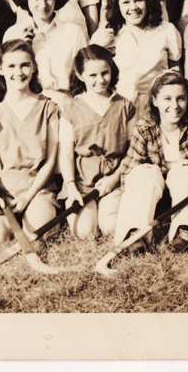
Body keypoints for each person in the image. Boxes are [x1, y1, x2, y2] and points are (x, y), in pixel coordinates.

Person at [115, 71, 188, 253]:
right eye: (167, 99)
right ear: (155, 100)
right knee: (142, 171)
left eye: (181, 99)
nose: (175, 106)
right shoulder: (144, 128)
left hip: (187, 200)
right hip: (155, 199)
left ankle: (184, 233)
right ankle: (136, 234)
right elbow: (128, 174)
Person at [0, 40, 60, 242]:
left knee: (40, 234)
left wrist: (28, 196)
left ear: (33, 67)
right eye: (11, 66)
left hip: (37, 188)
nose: (19, 72)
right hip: (0, 189)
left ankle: (38, 213)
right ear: (0, 69)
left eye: (25, 65)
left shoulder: (48, 107)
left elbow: (50, 161)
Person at [58, 45, 135, 239]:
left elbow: (133, 150)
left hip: (115, 177)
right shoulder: (71, 108)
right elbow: (66, 154)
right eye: (92, 75)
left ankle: (109, 209)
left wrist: (115, 178)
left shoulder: (124, 106)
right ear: (80, 74)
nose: (100, 80)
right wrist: (71, 186)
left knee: (111, 228)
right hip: (82, 182)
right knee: (85, 232)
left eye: (105, 73)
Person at [91, 0, 182, 109]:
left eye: (138, 0)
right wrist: (99, 46)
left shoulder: (166, 30)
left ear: (148, 0)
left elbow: (176, 72)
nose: (133, 7)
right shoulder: (109, 33)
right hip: (120, 106)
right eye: (126, 2)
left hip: (158, 105)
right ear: (117, 5)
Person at [3, 0, 87, 101]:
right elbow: (7, 79)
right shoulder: (13, 34)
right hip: (27, 103)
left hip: (65, 102)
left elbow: (84, 75)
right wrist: (20, 47)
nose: (43, 5)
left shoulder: (73, 32)